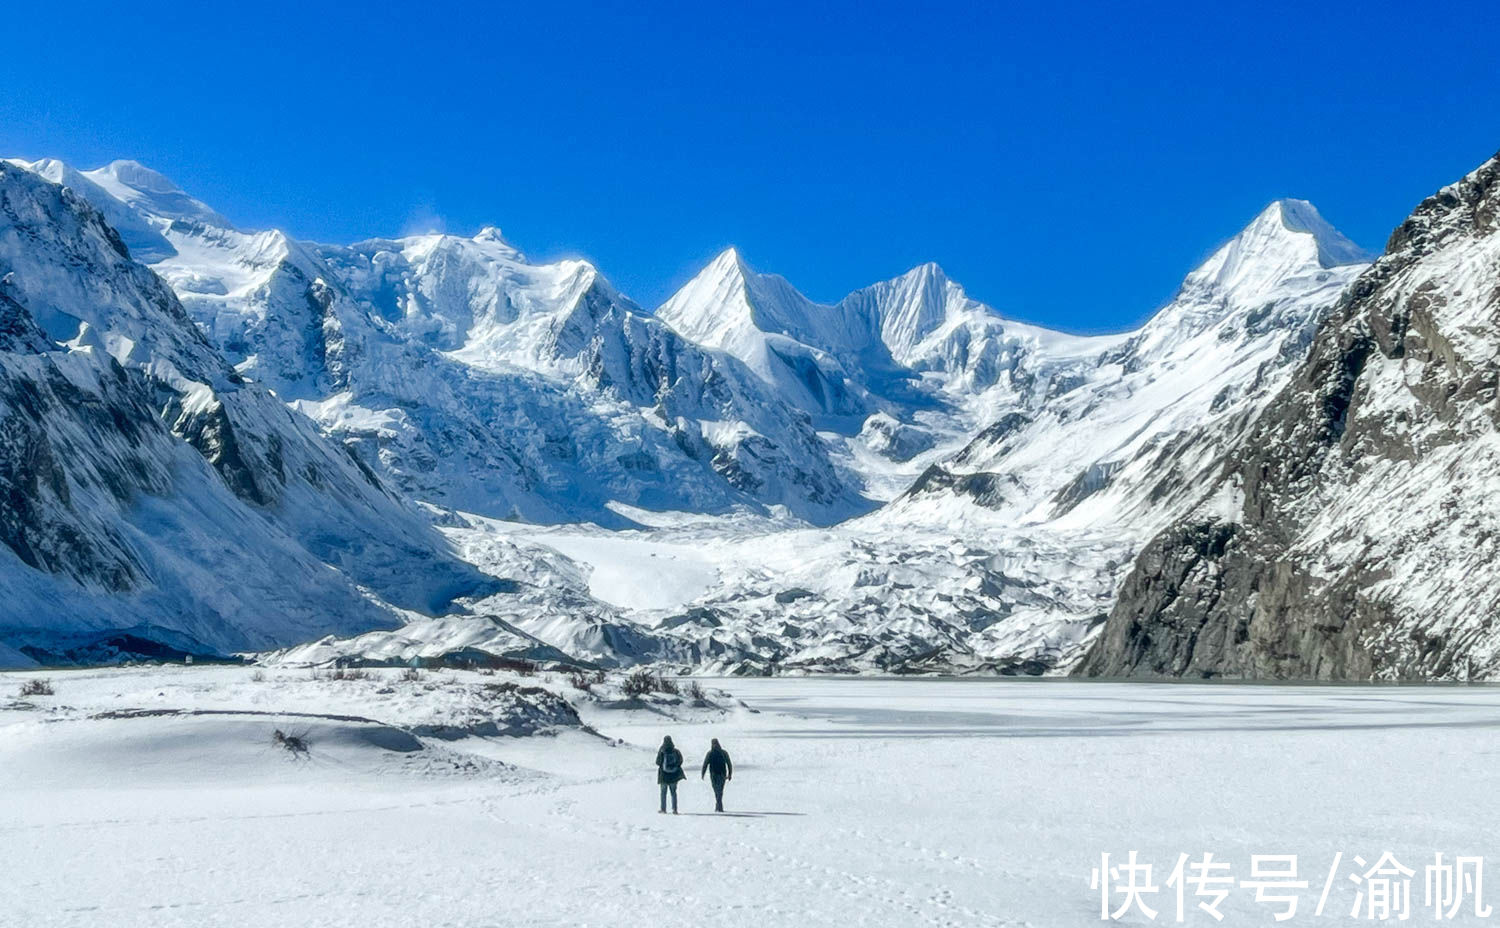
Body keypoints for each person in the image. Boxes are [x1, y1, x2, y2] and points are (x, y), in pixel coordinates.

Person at [700, 738, 733, 812]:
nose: (715, 745)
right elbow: (705, 764)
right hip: (713, 774)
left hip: (721, 774)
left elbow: (729, 764)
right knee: (716, 790)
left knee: (720, 790)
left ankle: (719, 806)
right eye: (713, 744)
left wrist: (730, 774)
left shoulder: (723, 753)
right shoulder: (710, 753)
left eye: (715, 743)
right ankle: (719, 805)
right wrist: (703, 773)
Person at [656, 735, 685, 814]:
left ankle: (663, 809)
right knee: (673, 793)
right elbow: (680, 761)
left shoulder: (662, 751)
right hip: (673, 776)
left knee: (663, 793)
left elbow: (657, 762)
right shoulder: (676, 751)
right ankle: (674, 809)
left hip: (663, 776)